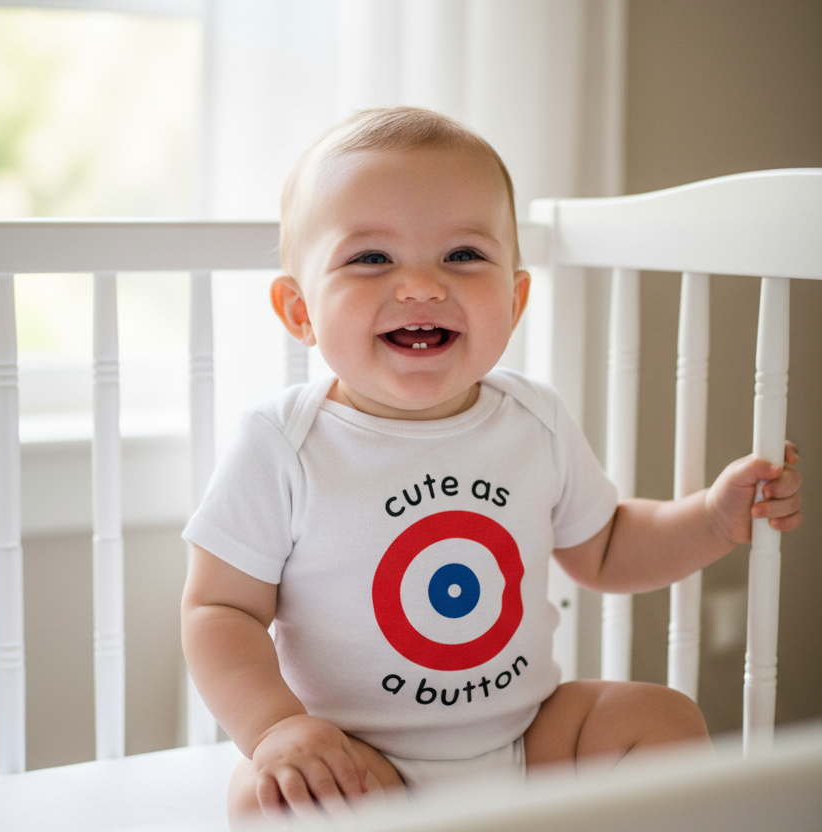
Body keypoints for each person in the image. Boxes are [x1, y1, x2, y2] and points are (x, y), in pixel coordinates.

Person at [181, 106, 802, 826]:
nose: (421, 285)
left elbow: (603, 548)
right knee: (266, 795)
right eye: (372, 258)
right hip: (358, 761)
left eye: (463, 256)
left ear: (515, 299)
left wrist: (711, 519)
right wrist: (277, 728)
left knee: (662, 719)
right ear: (299, 310)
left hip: (529, 743)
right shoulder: (283, 443)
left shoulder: (532, 420)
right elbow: (219, 609)